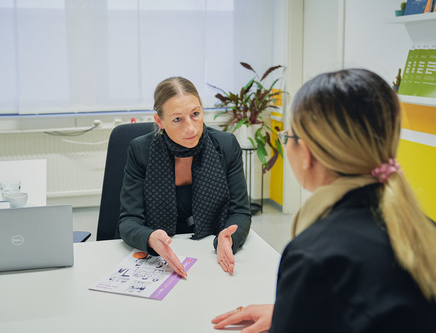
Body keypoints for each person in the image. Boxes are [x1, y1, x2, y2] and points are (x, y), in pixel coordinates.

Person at [212, 69, 436, 332]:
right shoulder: (423, 229)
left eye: (288, 137)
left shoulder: (314, 255)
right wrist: (292, 308)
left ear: (305, 153)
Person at [116, 76, 251, 277]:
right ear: (160, 121)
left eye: (195, 114)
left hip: (210, 252)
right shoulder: (141, 150)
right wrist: (150, 237)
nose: (190, 128)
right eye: (177, 119)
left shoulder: (226, 145)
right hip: (160, 259)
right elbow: (128, 220)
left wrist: (228, 238)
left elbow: (240, 212)